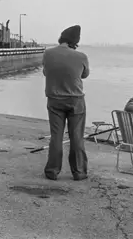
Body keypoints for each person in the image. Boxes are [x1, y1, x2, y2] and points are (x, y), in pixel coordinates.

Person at [42, 25, 90, 181]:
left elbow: (45, 72)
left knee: (56, 136)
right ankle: (79, 172)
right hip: (75, 100)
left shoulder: (48, 53)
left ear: (61, 38)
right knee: (76, 136)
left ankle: (52, 171)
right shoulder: (81, 56)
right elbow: (84, 75)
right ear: (75, 42)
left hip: (54, 99)